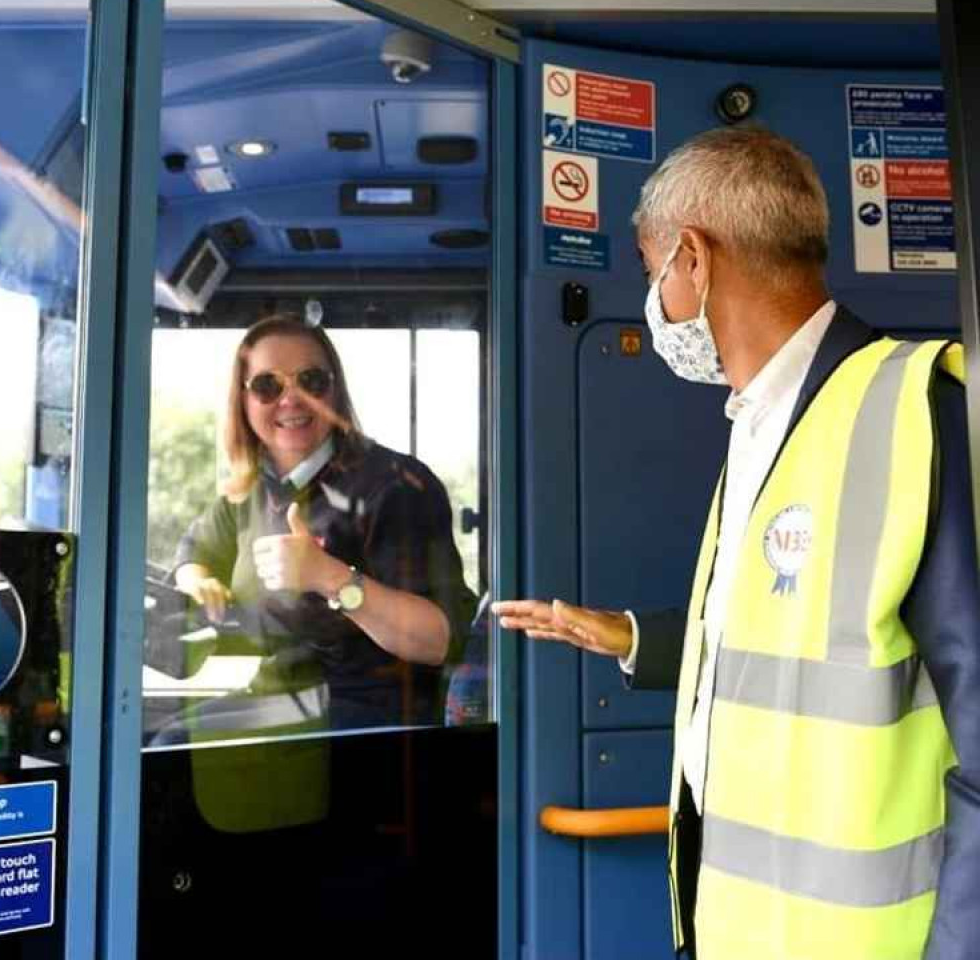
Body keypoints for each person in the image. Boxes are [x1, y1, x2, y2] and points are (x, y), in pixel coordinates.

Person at [495, 126, 980, 960]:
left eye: (653, 276)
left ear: (693, 258)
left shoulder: (920, 411)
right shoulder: (760, 424)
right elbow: (809, 649)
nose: (656, 304)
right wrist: (636, 638)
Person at [171, 314, 476, 731]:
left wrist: (327, 576)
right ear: (243, 402)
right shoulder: (253, 492)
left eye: (311, 380)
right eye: (268, 385)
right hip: (283, 697)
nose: (292, 399)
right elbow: (197, 550)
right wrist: (197, 580)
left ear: (335, 391)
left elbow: (440, 640)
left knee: (170, 753)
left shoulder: (397, 487)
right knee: (160, 744)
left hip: (374, 721)